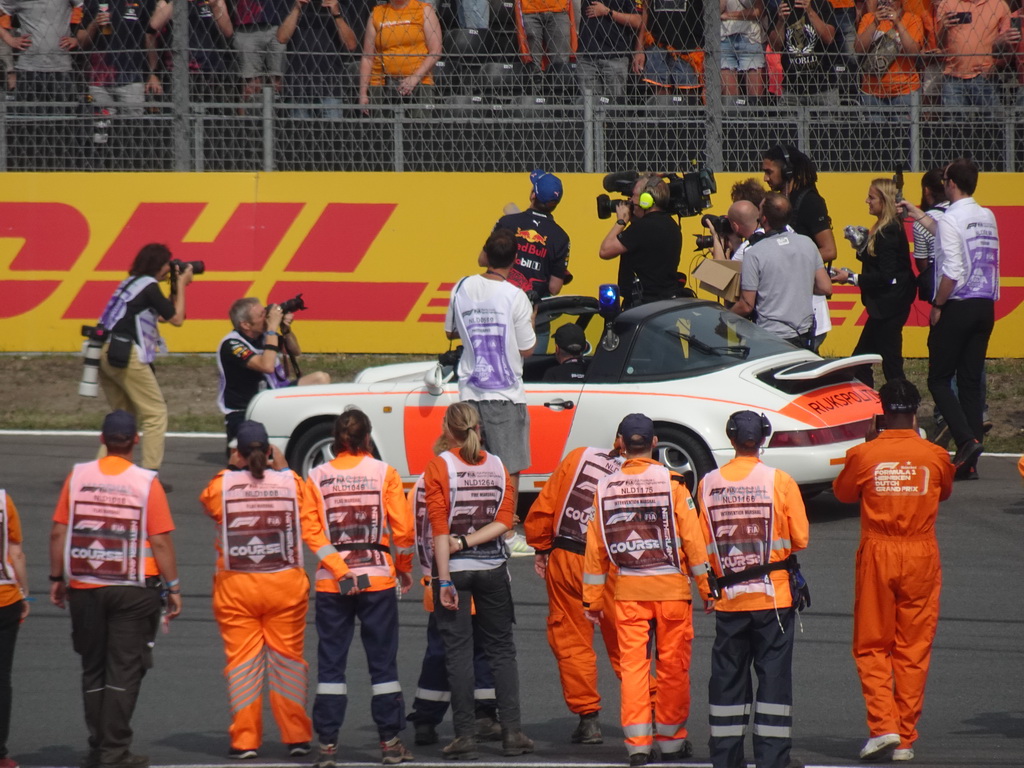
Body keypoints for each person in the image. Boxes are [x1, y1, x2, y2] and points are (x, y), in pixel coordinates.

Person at [49, 410, 183, 768]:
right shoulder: (145, 482)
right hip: (134, 590)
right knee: (125, 669)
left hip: (84, 585)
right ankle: (114, 751)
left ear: (102, 439)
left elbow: (58, 532)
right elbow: (161, 542)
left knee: (93, 668)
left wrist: (56, 579)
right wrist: (173, 588)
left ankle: (99, 745)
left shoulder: (77, 476)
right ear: (136, 441)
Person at [832, 379, 954, 763]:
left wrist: (870, 444)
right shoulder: (934, 455)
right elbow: (945, 491)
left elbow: (843, 493)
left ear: (881, 412)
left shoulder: (865, 454)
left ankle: (883, 725)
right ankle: (904, 738)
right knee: (913, 647)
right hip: (920, 553)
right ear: (915, 413)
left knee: (872, 643)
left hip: (879, 551)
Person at [582, 413, 713, 765]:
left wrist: (592, 601)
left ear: (620, 444)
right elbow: (693, 542)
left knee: (634, 668)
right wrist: (706, 588)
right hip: (672, 592)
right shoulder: (672, 483)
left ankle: (638, 744)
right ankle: (670, 741)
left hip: (627, 593)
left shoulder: (604, 488)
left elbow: (595, 550)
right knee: (673, 668)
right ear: (654, 443)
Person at [696, 411, 809, 768]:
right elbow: (800, 538)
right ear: (763, 439)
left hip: (729, 601)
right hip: (773, 600)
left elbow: (700, 544)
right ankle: (773, 759)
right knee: (773, 680)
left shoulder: (708, 483)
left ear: (731, 439)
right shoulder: (780, 481)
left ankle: (726, 759)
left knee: (727, 680)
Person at [303, 408, 415, 768]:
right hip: (378, 578)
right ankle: (390, 742)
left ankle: (328, 746)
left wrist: (339, 568)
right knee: (382, 665)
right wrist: (404, 568)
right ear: (367, 438)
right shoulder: (385, 473)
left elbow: (311, 532)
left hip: (331, 584)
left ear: (336, 440)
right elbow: (404, 531)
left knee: (331, 665)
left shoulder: (316, 476)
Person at [198, 420, 318, 759]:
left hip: (238, 590)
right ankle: (296, 737)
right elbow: (308, 505)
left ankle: (246, 740)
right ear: (268, 451)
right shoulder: (291, 482)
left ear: (237, 453)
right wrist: (283, 466)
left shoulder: (222, 484)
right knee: (288, 663)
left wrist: (234, 467)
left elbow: (209, 505)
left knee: (242, 665)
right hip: (285, 588)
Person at [425, 402, 533, 759]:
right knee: (502, 651)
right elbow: (506, 522)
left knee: (458, 655)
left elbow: (439, 530)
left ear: (447, 429)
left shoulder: (440, 465)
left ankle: (465, 737)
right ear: (478, 428)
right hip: (493, 569)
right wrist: (472, 541)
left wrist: (443, 581)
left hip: (455, 568)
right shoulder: (500, 466)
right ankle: (513, 733)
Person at [899, 158, 999, 479]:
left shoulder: (953, 219)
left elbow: (952, 270)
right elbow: (946, 230)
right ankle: (970, 459)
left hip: (957, 304)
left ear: (951, 183)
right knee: (970, 382)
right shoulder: (986, 215)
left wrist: (938, 304)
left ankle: (966, 440)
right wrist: (916, 214)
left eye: (944, 179)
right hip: (985, 306)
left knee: (938, 379)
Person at [525, 439, 623, 744]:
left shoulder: (580, 456)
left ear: (617, 440)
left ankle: (588, 720)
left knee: (571, 639)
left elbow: (547, 503)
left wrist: (541, 546)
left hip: (568, 557)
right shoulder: (657, 476)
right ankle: (656, 715)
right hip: (616, 566)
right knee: (628, 645)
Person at [405, 440, 500, 748]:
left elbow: (412, 533)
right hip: (478, 578)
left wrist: (408, 569)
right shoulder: (485, 474)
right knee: (481, 651)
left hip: (438, 580)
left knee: (439, 652)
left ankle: (425, 719)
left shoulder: (422, 482)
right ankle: (484, 714)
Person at [445, 228, 537, 495]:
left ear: (485, 254)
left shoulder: (461, 287)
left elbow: (450, 332)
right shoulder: (516, 296)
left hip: (469, 392)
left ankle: (472, 521)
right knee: (508, 468)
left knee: (470, 466)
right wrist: (531, 318)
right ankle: (506, 528)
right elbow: (528, 348)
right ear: (515, 259)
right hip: (505, 394)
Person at [95, 244, 192, 474]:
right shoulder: (148, 285)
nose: (170, 269)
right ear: (158, 266)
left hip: (103, 351)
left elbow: (165, 314)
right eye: (168, 265)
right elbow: (177, 319)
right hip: (124, 353)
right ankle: (149, 474)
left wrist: (175, 287)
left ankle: (102, 472)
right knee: (155, 414)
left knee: (122, 417)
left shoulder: (131, 283)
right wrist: (181, 284)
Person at [832, 178, 916, 387]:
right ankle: (875, 404)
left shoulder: (888, 231)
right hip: (884, 307)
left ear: (884, 201)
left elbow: (886, 275)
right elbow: (880, 263)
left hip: (890, 306)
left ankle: (902, 408)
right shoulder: (883, 227)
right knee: (865, 361)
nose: (867, 201)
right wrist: (861, 248)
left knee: (888, 363)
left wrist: (851, 278)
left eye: (871, 197)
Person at [217, 296, 329, 444]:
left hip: (275, 396)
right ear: (246, 325)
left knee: (321, 378)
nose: (267, 317)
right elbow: (267, 366)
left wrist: (285, 329)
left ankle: (315, 429)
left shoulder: (264, 336)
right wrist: (271, 329)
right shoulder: (232, 344)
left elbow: (295, 351)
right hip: (247, 409)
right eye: (261, 315)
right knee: (256, 450)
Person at [731, 193, 833, 347]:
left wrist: (725, 316)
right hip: (804, 335)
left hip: (771, 337)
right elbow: (826, 287)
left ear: (763, 218)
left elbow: (746, 305)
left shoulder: (754, 252)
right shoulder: (808, 243)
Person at [762, 144, 837, 351]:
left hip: (806, 308)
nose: (765, 178)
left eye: (769, 172)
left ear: (787, 171)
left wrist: (789, 264)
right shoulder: (778, 202)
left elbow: (829, 250)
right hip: (784, 306)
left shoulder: (809, 202)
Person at [494, 169, 570, 352]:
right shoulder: (561, 237)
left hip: (502, 309)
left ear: (532, 194)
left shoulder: (508, 223)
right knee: (532, 373)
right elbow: (554, 288)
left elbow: (484, 260)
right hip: (535, 316)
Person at [599, 174, 683, 309]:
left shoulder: (643, 228)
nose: (630, 201)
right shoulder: (671, 225)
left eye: (634, 196)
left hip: (643, 307)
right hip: (666, 303)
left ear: (646, 200)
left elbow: (605, 251)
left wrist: (621, 221)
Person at [276, 0, 358, 118]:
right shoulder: (292, 6)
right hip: (299, 86)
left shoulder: (340, 8)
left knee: (332, 132)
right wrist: (297, 9)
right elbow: (281, 38)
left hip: (330, 86)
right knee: (299, 133)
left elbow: (351, 45)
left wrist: (336, 15)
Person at [146, 0, 234, 104]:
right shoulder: (166, 3)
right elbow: (152, 28)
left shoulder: (216, 2)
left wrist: (215, 7)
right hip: (178, 71)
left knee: (211, 115)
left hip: (211, 70)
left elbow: (228, 32)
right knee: (178, 113)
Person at [357, 0, 441, 109]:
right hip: (381, 83)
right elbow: (368, 57)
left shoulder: (424, 10)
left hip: (420, 82)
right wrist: (363, 92)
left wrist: (415, 78)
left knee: (418, 124)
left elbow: (436, 51)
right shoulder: (377, 14)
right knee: (381, 124)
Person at [935, 0, 1011, 107]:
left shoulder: (999, 4)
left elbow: (1008, 42)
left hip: (985, 76)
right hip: (954, 75)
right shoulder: (948, 3)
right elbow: (939, 44)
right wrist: (944, 28)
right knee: (954, 122)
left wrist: (997, 65)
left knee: (991, 121)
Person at [854, 0, 924, 114]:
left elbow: (913, 51)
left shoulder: (912, 19)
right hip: (872, 91)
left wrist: (897, 22)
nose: (888, 1)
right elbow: (858, 48)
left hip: (904, 91)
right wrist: (875, 22)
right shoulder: (868, 18)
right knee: (874, 131)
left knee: (904, 132)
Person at [0, 489, 28, 768]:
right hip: (4, 596)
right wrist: (25, 591)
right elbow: (15, 552)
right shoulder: (3, 499)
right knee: (1, 677)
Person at [767, 0, 838, 106]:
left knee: (828, 122)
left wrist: (810, 12)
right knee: (788, 122)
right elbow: (775, 47)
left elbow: (829, 38)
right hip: (792, 88)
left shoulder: (822, 4)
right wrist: (781, 22)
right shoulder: (781, 8)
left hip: (824, 87)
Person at [575, 0, 642, 100]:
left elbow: (637, 21)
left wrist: (608, 12)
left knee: (614, 108)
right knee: (588, 107)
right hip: (587, 56)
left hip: (615, 56)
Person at [231, 0, 292, 105]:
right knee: (250, 81)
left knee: (277, 77)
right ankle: (244, 119)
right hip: (246, 24)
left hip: (279, 20)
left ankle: (275, 115)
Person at [910, 168, 949, 304]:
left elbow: (922, 264)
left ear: (926, 190)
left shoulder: (922, 222)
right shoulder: (960, 213)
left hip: (941, 288)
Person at [719, 0, 766, 102]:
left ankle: (755, 117)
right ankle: (732, 117)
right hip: (725, 36)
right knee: (729, 98)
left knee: (755, 97)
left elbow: (758, 11)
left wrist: (728, 15)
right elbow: (716, 11)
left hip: (750, 37)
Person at [514, 0, 576, 74]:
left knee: (561, 63)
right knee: (533, 64)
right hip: (529, 9)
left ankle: (559, 84)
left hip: (558, 8)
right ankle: (537, 83)